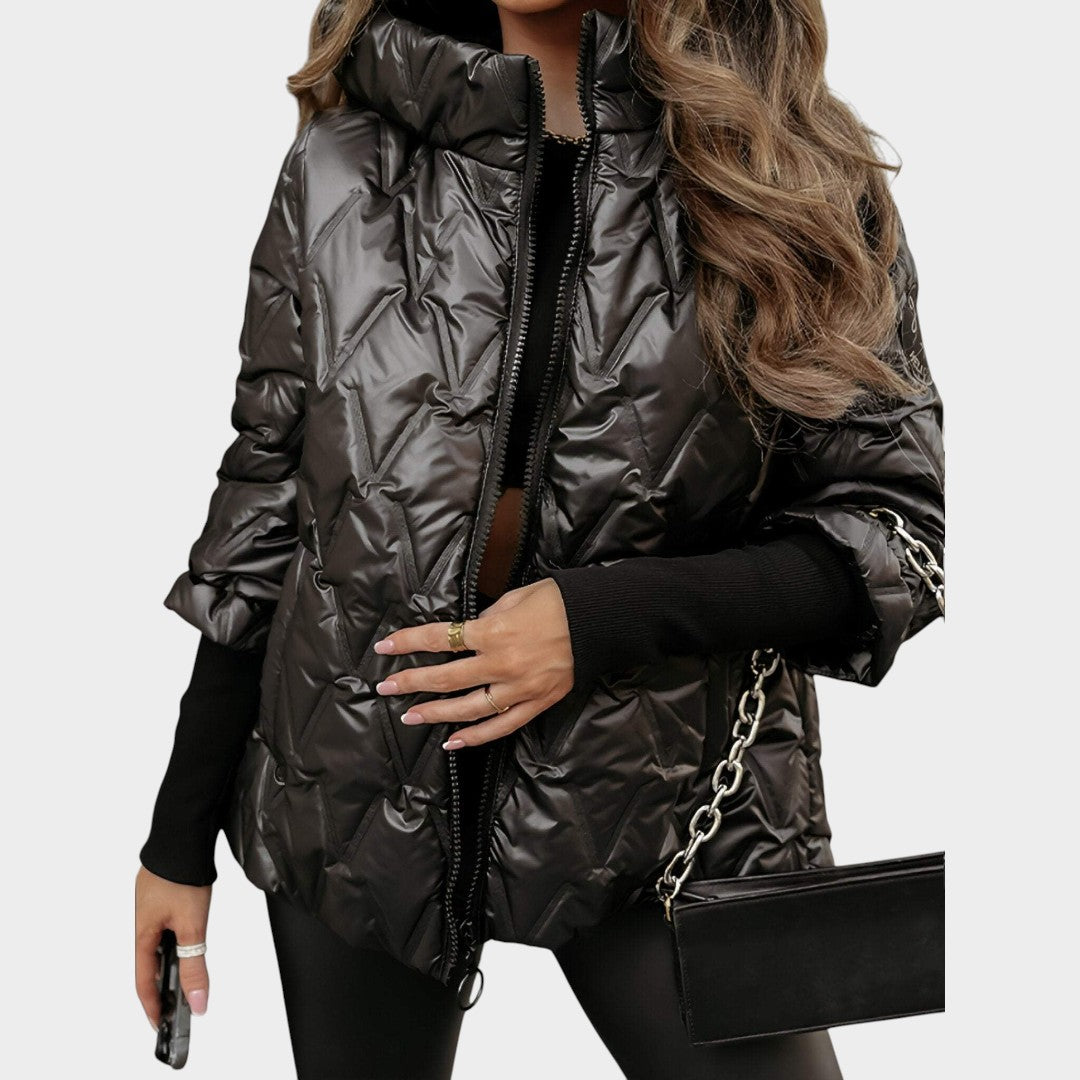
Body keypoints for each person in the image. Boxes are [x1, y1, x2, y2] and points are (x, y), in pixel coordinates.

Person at [133, 2, 945, 1077]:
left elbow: (896, 537)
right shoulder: (343, 161)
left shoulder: (789, 170)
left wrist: (594, 621)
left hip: (680, 797)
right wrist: (176, 840)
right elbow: (268, 511)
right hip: (357, 780)